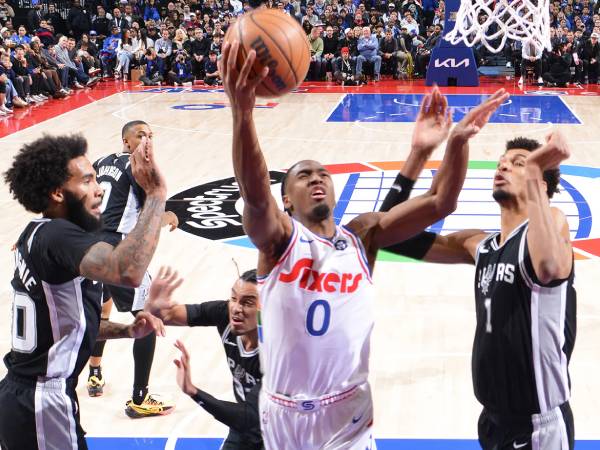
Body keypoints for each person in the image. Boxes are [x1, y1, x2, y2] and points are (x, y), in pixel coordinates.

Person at [219, 39, 508, 449]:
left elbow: (441, 200)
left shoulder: (361, 237)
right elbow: (253, 190)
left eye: (322, 173)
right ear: (286, 199)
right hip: (284, 413)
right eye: (304, 176)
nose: (317, 178)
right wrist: (243, 112)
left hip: (348, 409)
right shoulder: (278, 242)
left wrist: (456, 143)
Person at [383, 132, 576, 450]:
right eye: (501, 163)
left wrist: (534, 177)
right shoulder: (480, 245)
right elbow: (389, 233)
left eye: (518, 163)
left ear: (540, 181)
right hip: (491, 422)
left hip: (538, 429)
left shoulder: (553, 224)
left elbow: (549, 267)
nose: (503, 167)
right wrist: (439, 148)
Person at [0, 132, 168, 450]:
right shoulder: (57, 236)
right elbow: (127, 270)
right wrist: (156, 193)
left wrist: (127, 330)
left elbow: (66, 328)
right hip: (42, 402)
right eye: (87, 181)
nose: (99, 190)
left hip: (27, 396)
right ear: (57, 193)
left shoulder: (43, 236)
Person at [87, 121, 177, 418]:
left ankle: (93, 373)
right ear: (127, 143)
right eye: (141, 135)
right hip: (118, 250)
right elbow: (150, 214)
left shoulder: (101, 162)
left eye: (152, 135)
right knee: (147, 320)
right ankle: (140, 398)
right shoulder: (139, 170)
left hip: (87, 245)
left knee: (99, 312)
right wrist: (170, 216)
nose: (148, 140)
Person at [145, 267, 262, 450]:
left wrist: (193, 391)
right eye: (233, 298)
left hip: (283, 432)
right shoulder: (225, 314)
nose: (236, 309)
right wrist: (153, 308)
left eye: (247, 303)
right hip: (244, 428)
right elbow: (167, 315)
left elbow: (249, 418)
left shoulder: (280, 354)